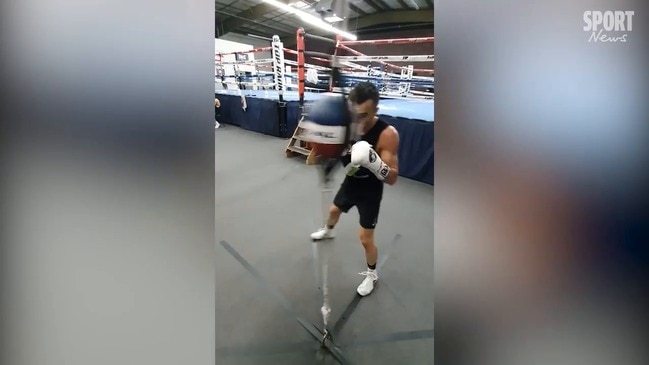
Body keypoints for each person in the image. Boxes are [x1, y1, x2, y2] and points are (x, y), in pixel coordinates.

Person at [310, 82, 400, 296]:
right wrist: (319, 146)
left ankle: (372, 275)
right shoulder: (342, 124)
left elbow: (393, 178)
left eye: (364, 116)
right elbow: (315, 157)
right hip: (350, 183)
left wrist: (374, 162)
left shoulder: (387, 134)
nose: (357, 121)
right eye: (354, 114)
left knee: (365, 239)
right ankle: (328, 231)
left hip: (370, 191)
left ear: (376, 111)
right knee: (332, 212)